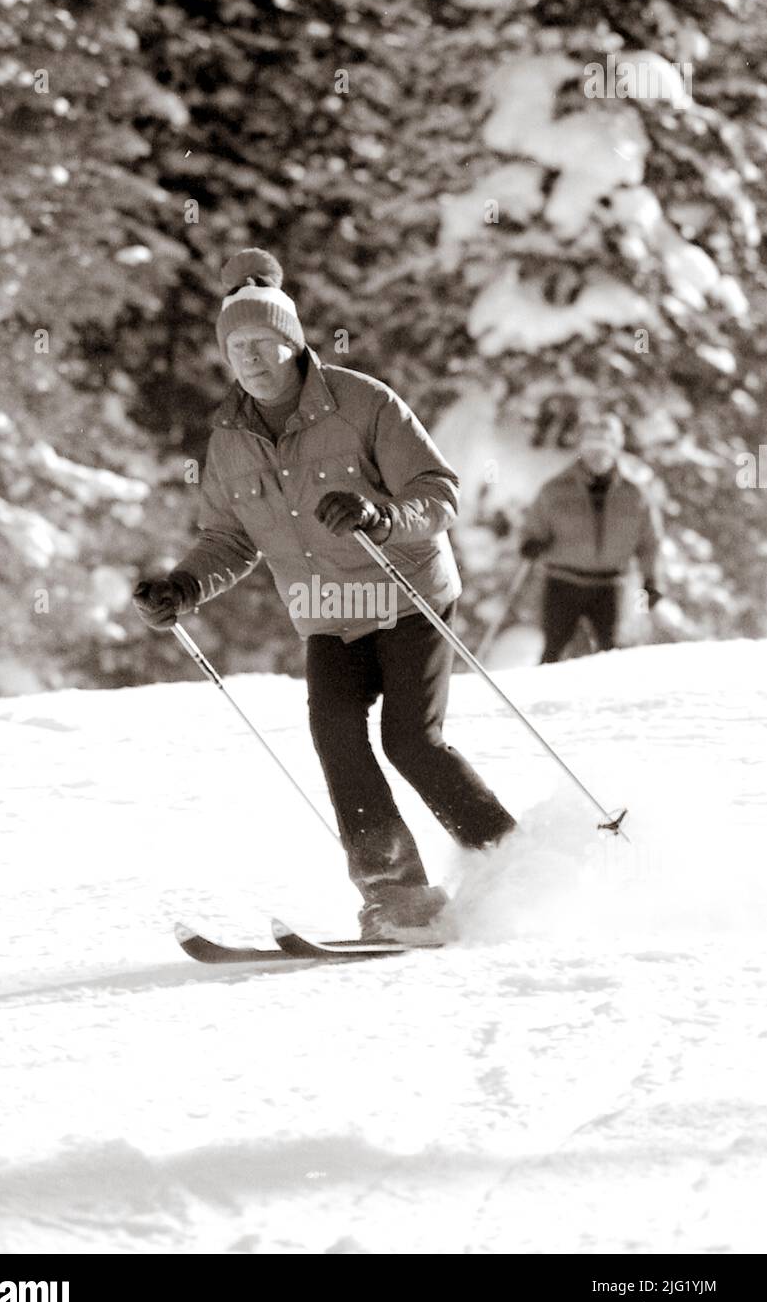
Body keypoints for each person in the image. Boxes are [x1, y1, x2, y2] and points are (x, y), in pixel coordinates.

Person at [133, 248, 515, 940]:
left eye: (263, 342)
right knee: (336, 734)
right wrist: (183, 585)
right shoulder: (228, 441)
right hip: (328, 615)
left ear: (293, 341)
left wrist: (381, 517)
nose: (250, 358)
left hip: (404, 595)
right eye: (236, 347)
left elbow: (437, 492)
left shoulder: (362, 401)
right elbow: (229, 537)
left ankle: (517, 868)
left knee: (410, 741)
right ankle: (397, 897)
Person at [519, 412, 664, 664]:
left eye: (605, 445)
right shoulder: (555, 490)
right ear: (581, 447)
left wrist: (652, 580)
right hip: (562, 582)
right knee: (553, 653)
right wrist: (530, 544)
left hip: (611, 587)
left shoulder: (635, 495)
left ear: (617, 447)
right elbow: (532, 528)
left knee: (612, 656)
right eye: (590, 445)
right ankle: (538, 702)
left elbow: (649, 543)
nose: (597, 454)